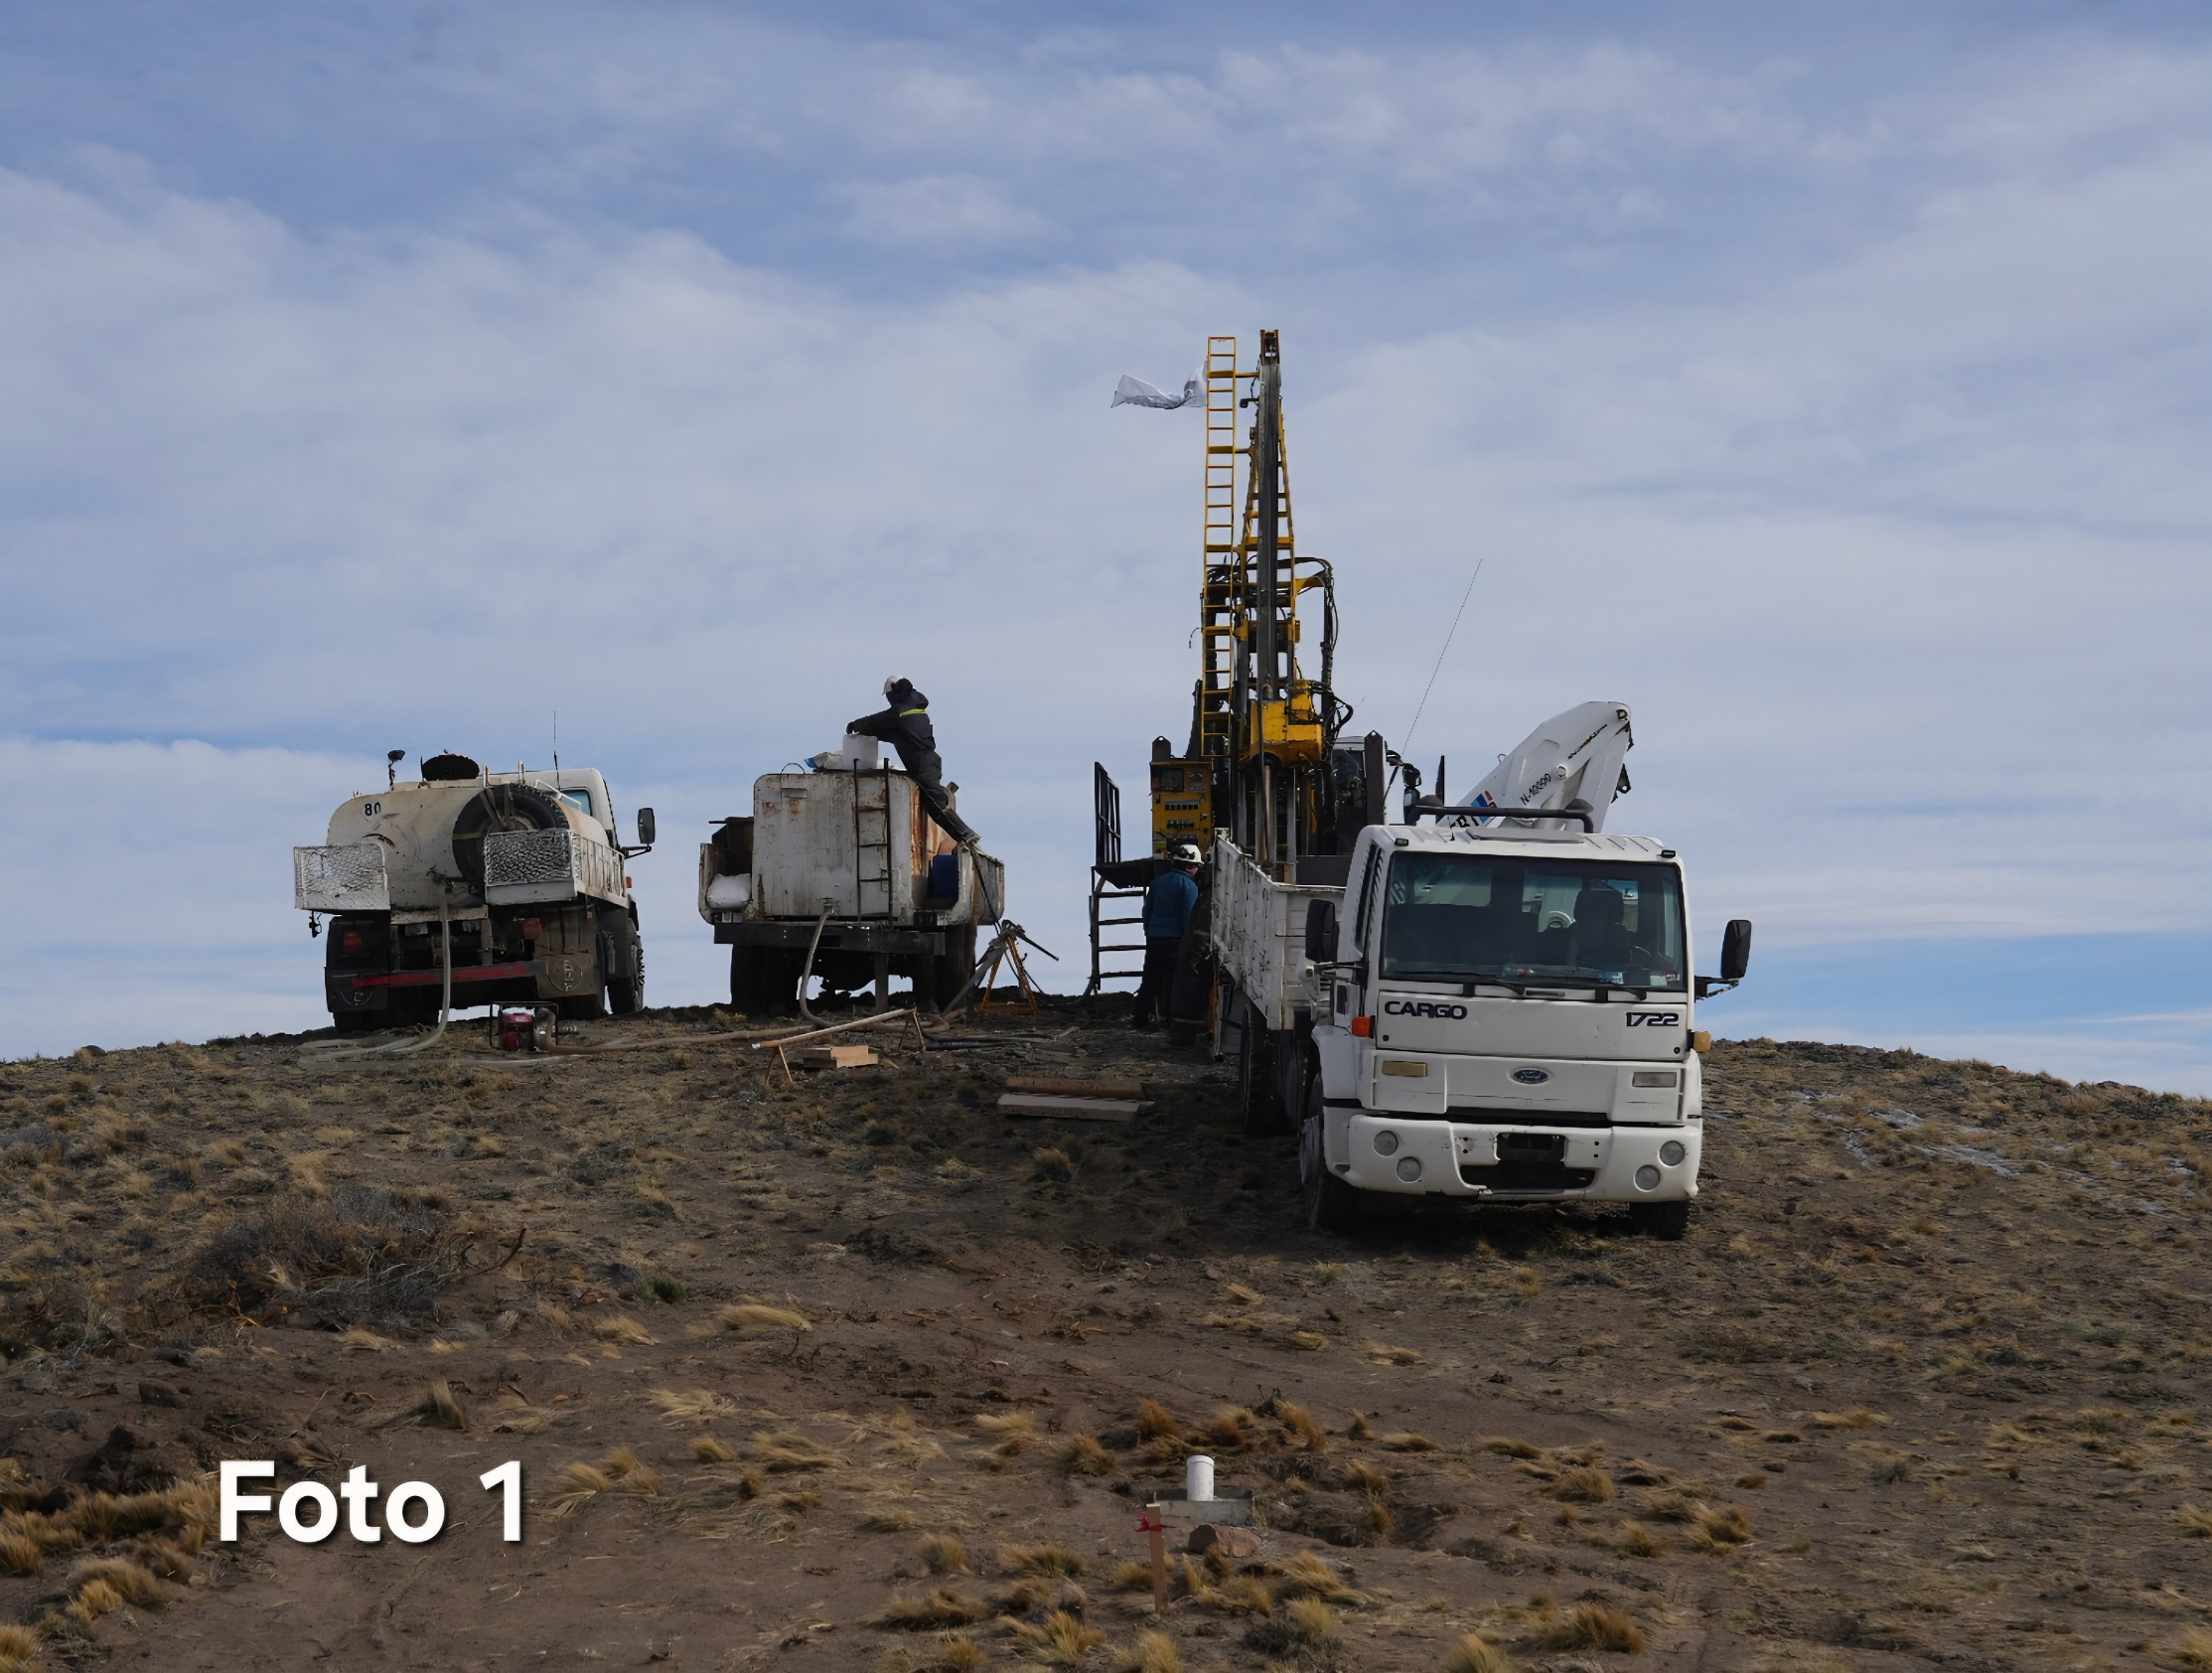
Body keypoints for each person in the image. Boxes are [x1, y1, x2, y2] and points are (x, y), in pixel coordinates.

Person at [847, 678, 977, 847]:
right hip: (927, 762)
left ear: (893, 694)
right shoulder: (913, 711)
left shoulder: (899, 714)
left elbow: (878, 722)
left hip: (922, 764)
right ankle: (963, 835)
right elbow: (894, 733)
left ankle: (965, 834)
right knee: (932, 805)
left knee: (936, 803)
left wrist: (857, 725)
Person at [1130, 843, 1202, 1028]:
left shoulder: (1157, 883)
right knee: (1173, 982)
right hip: (1176, 941)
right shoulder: (1189, 886)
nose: (1197, 870)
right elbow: (1189, 918)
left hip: (1154, 938)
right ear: (1188, 866)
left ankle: (1139, 1021)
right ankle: (1170, 1023)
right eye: (1196, 866)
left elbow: (1147, 912)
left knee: (1150, 981)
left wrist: (1149, 932)